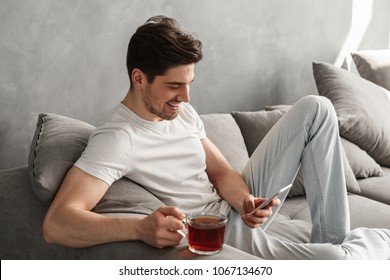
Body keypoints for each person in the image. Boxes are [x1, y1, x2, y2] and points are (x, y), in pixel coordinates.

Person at [43, 15, 390, 259]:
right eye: (174, 86)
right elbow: (57, 223)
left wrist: (245, 201)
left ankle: (337, 240)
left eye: (189, 84)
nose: (186, 98)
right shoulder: (118, 137)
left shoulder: (183, 113)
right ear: (139, 78)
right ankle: (358, 248)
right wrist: (138, 228)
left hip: (233, 208)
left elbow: (222, 173)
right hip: (213, 227)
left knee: (317, 107)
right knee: (336, 265)